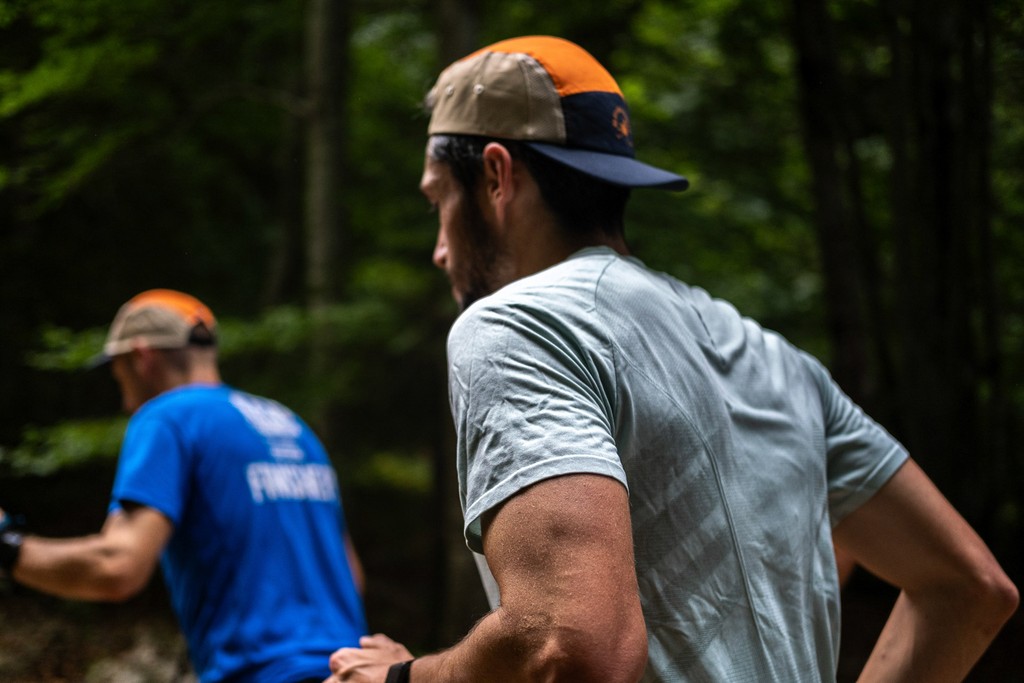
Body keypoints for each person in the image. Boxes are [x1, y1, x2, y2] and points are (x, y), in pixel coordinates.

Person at [327, 36, 1019, 682]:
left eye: (438, 200)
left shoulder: (520, 323)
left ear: (498, 177)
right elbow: (969, 589)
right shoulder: (779, 361)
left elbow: (572, 644)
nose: (440, 249)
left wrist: (404, 676)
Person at [0, 289, 368, 683]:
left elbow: (117, 567)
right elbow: (351, 575)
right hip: (352, 673)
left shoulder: (167, 418)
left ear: (141, 357)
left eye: (117, 372)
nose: (124, 400)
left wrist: (8, 547)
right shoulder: (292, 427)